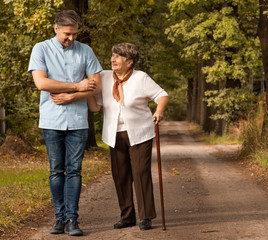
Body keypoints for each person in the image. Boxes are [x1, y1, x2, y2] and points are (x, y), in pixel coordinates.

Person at [27, 10, 102, 236]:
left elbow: (95, 86)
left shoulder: (86, 51)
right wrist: (78, 85)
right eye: (67, 34)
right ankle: (59, 218)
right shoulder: (41, 49)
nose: (71, 38)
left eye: (75, 34)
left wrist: (72, 95)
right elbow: (41, 83)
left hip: (78, 122)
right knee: (56, 171)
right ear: (56, 28)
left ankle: (72, 219)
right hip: (51, 119)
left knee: (75, 171)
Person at [87, 43, 169, 231]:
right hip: (114, 134)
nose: (113, 59)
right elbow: (95, 107)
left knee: (140, 173)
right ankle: (127, 217)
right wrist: (87, 92)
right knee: (120, 176)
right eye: (113, 55)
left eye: (118, 56)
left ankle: (146, 216)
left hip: (140, 133)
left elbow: (161, 94)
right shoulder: (104, 77)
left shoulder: (141, 78)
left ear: (130, 62)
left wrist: (159, 111)